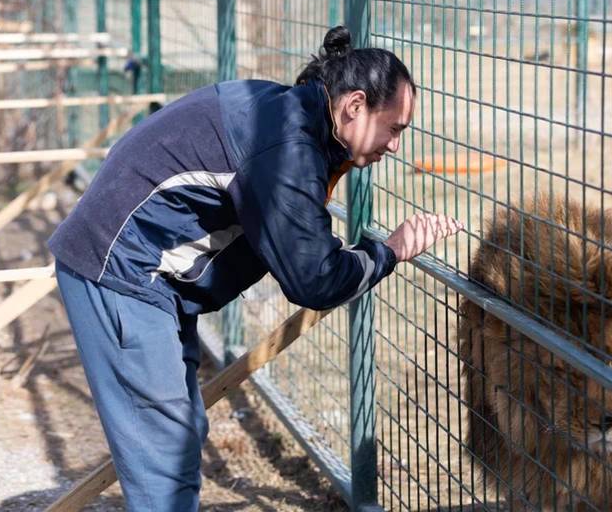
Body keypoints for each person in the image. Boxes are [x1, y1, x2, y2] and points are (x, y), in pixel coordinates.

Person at [47, 25, 462, 510]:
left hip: (142, 270)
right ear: (353, 106)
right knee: (165, 456)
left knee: (178, 435)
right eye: (394, 128)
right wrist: (387, 252)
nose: (395, 146)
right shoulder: (284, 148)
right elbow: (315, 278)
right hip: (122, 273)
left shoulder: (285, 113)